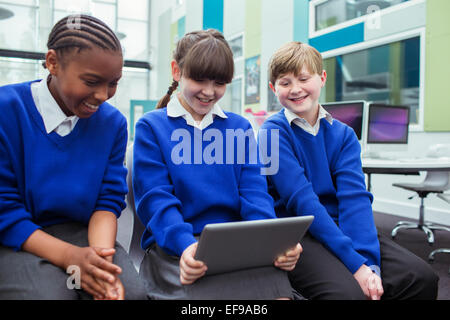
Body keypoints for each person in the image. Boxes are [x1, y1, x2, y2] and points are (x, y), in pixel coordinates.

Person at [259, 41, 439, 300]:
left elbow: (355, 201)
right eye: (285, 82)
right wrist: (355, 265)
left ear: (322, 78)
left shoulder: (343, 134)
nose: (295, 89)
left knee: (420, 278)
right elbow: (303, 202)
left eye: (303, 78)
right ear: (273, 88)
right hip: (300, 233)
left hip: (341, 224)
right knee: (347, 294)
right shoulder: (272, 133)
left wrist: (369, 264)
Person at [132, 29, 302, 300]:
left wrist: (273, 244)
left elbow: (256, 196)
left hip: (235, 248)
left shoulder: (240, 127)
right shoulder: (152, 127)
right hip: (177, 249)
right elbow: (156, 201)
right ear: (177, 71)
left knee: (278, 294)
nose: (209, 92)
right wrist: (187, 247)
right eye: (199, 79)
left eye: (220, 82)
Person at [0, 14, 146, 300]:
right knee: (51, 295)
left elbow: (107, 200)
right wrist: (70, 257)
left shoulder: (112, 124)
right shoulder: (7, 110)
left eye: (113, 83)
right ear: (53, 62)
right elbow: (4, 210)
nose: (103, 95)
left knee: (129, 294)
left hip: (83, 234)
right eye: (91, 81)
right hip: (16, 237)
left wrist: (100, 261)